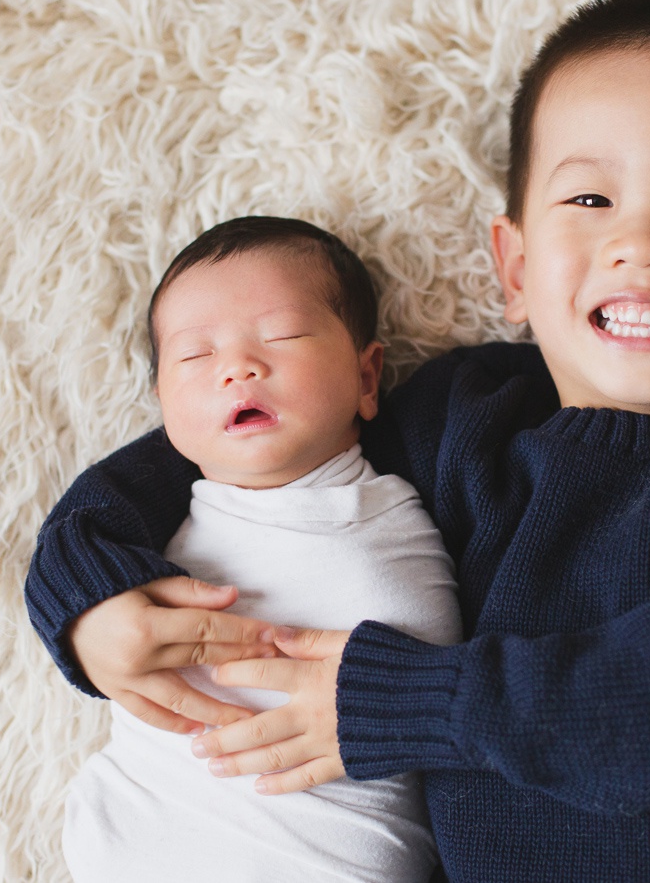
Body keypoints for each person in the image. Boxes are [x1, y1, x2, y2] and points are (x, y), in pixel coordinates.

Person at [28, 0, 650, 881]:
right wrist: (91, 594)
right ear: (516, 265)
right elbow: (218, 441)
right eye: (590, 202)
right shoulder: (469, 419)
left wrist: (421, 704)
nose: (643, 243)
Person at [55, 216, 461, 883]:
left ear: (368, 377)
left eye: (283, 335)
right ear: (163, 404)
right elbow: (74, 555)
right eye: (195, 355)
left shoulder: (399, 511)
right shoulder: (137, 533)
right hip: (134, 834)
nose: (239, 366)